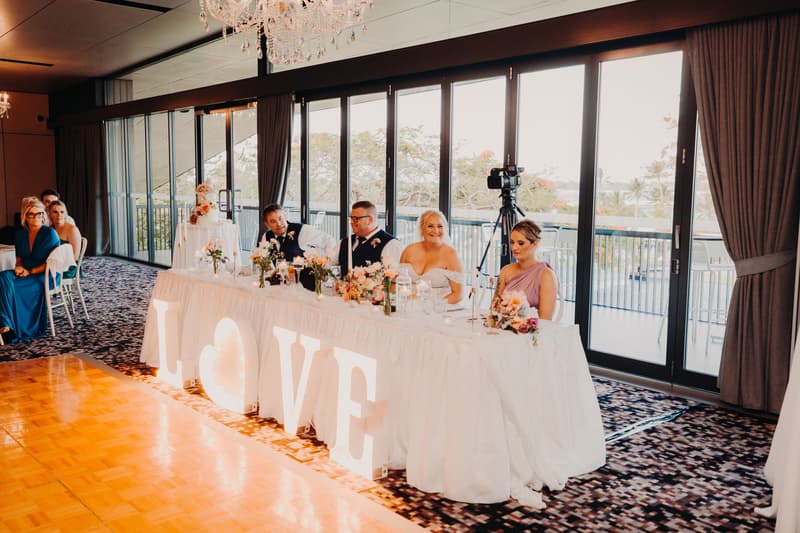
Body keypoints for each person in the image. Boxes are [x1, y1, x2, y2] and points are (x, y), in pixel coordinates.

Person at [0, 199, 61, 343]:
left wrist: (31, 271)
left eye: (39, 213)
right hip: (26, 270)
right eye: (31, 214)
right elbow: (20, 257)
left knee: (14, 287)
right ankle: (5, 323)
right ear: (25, 216)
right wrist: (19, 266)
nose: (36, 217)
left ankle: (10, 328)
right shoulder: (21, 235)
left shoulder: (49, 234)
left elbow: (51, 263)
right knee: (3, 276)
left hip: (44, 274)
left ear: (44, 215)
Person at [494, 219, 557, 320]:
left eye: (521, 243)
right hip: (503, 329)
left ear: (535, 243)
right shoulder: (506, 270)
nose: (514, 248)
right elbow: (494, 308)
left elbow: (545, 320)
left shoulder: (546, 275)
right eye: (512, 242)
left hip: (532, 333)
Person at [399, 209, 464, 304]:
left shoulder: (450, 254)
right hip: (409, 307)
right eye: (430, 226)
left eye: (440, 226)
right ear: (421, 228)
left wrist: (433, 305)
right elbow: (396, 283)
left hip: (438, 311)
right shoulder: (409, 250)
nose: (436, 230)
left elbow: (458, 294)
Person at [330, 200, 402, 275]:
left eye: (356, 219)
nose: (351, 222)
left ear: (370, 220)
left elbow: (394, 277)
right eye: (351, 218)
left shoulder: (391, 244)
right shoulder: (344, 242)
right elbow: (327, 265)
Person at [257, 203, 334, 260]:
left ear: (285, 216)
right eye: (273, 221)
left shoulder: (302, 230)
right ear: (267, 224)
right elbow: (262, 257)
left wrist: (325, 264)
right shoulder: (266, 236)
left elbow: (329, 240)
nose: (279, 224)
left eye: (280, 218)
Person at [47, 200, 82, 279]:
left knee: (43, 274)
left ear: (66, 214)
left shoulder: (72, 230)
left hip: (69, 266)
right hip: (53, 263)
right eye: (55, 212)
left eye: (62, 212)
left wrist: (56, 264)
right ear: (49, 214)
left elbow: (75, 256)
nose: (59, 215)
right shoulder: (50, 229)